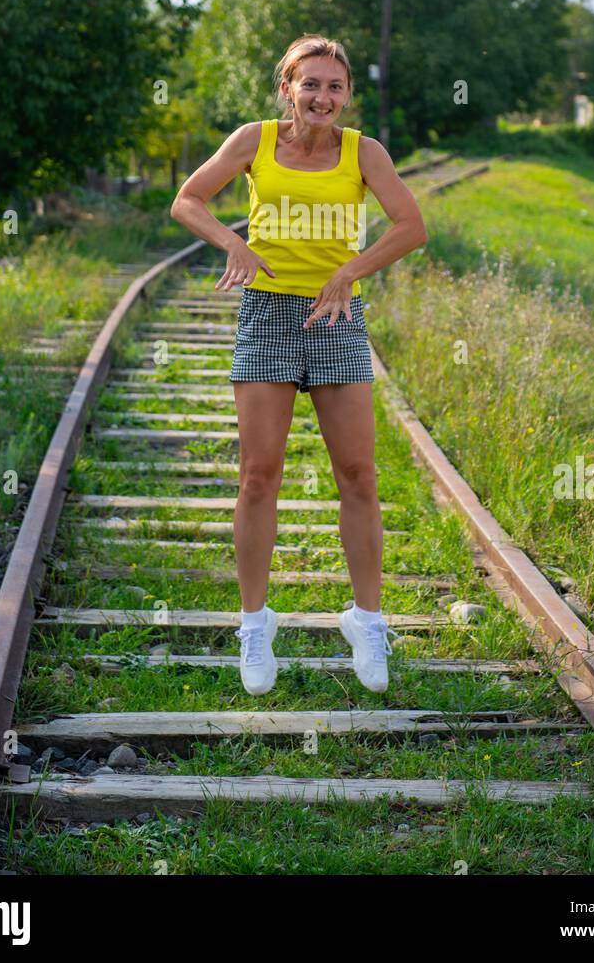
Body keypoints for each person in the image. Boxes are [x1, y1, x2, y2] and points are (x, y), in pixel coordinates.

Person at [170, 34, 428, 694]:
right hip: (268, 317)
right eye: (309, 84)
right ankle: (255, 626)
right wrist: (236, 244)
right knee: (259, 476)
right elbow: (188, 199)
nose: (322, 97)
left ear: (346, 95)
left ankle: (366, 622)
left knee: (359, 476)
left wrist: (350, 272)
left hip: (338, 319)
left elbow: (409, 225)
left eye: (334, 87)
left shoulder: (362, 151)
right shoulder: (253, 141)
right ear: (288, 87)